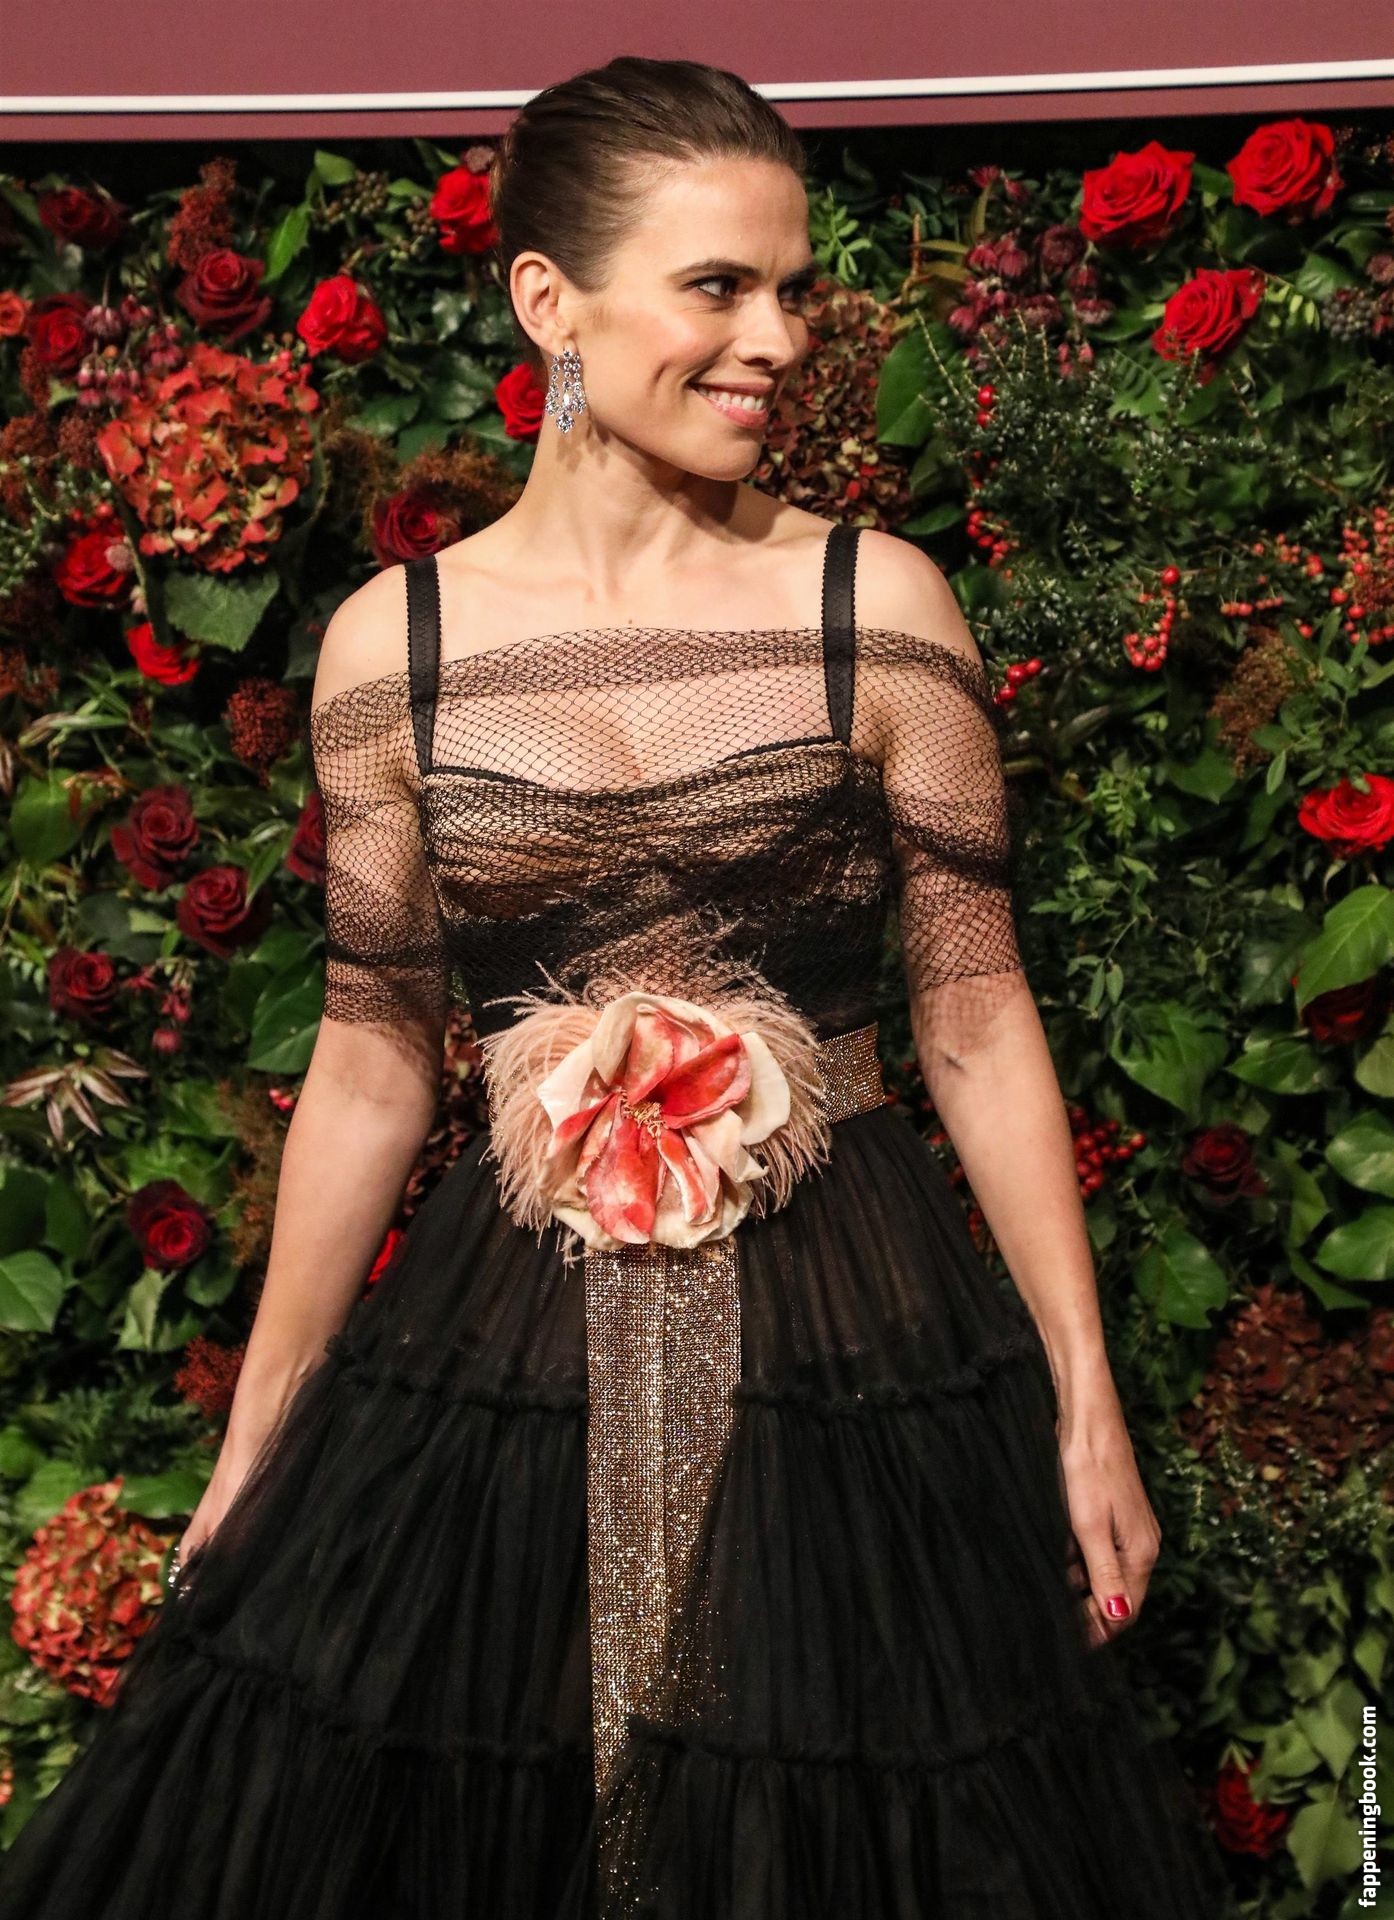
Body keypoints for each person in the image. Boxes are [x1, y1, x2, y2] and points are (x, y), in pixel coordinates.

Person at [0, 55, 1235, 1920]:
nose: (777, 341)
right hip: (503, 1351)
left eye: (792, 288)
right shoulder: (394, 648)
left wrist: (1083, 1397)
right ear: (547, 302)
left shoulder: (877, 607)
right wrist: (262, 1434)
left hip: (849, 1335)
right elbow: (370, 1065)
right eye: (717, 287)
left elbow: (975, 1021)